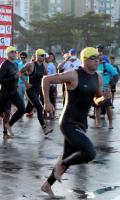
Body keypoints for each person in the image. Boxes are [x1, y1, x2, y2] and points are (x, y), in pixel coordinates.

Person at [41, 47, 105, 198]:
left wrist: (103, 99)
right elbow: (46, 79)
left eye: (98, 58)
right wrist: (47, 102)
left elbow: (96, 100)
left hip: (82, 123)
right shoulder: (74, 74)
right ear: (84, 59)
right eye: (93, 58)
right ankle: (60, 165)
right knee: (89, 153)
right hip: (69, 122)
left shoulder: (98, 77)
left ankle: (47, 185)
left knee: (69, 155)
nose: (97, 61)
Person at [0, 46, 26, 138]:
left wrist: (16, 82)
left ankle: (8, 125)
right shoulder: (4, 65)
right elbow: (1, 80)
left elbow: (16, 76)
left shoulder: (15, 64)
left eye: (15, 52)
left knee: (22, 109)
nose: (14, 53)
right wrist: (13, 78)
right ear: (8, 54)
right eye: (12, 52)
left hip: (13, 92)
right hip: (4, 93)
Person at [20, 49, 53, 135]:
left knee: (27, 109)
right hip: (30, 90)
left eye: (44, 55)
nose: (43, 57)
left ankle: (14, 117)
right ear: (37, 56)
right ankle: (44, 128)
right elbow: (20, 72)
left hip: (38, 90)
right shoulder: (30, 65)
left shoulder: (45, 65)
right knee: (39, 107)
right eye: (41, 55)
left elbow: (46, 78)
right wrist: (26, 83)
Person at [94, 55, 118, 129]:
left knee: (108, 106)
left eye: (99, 58)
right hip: (96, 89)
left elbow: (116, 75)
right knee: (97, 106)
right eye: (97, 57)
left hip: (105, 89)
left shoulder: (107, 65)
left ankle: (110, 124)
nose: (98, 59)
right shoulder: (94, 65)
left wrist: (111, 84)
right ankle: (98, 123)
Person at [46, 52, 58, 119]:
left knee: (52, 100)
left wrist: (54, 86)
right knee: (49, 100)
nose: (47, 58)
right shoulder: (47, 64)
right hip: (49, 85)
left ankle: (52, 115)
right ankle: (50, 114)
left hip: (51, 86)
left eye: (49, 57)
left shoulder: (52, 65)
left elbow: (54, 75)